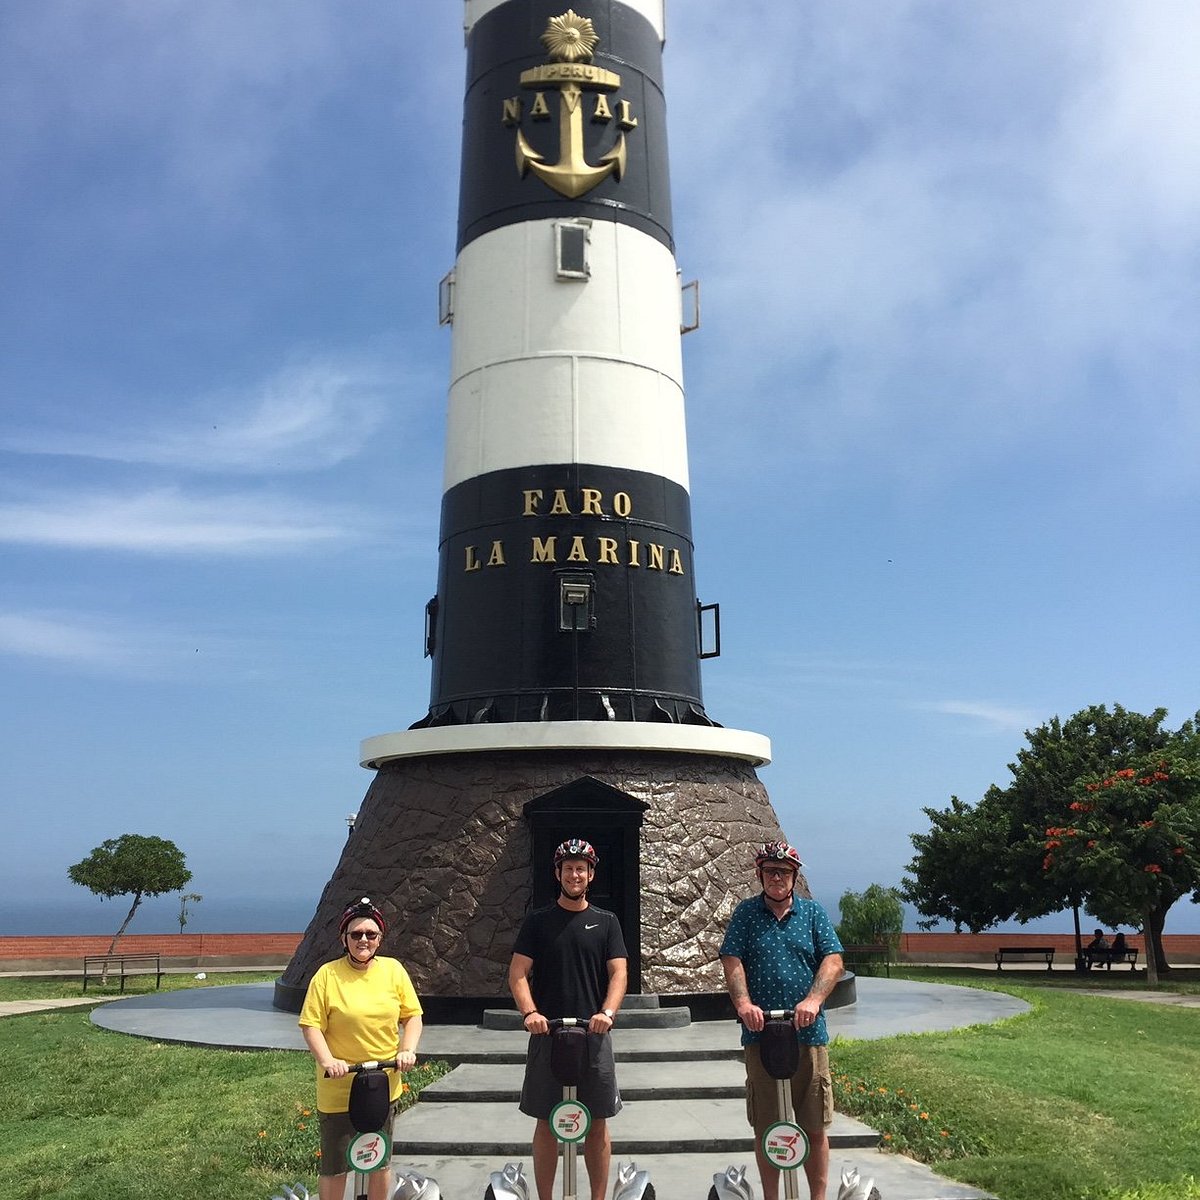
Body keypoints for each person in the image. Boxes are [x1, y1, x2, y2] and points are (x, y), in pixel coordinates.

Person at [719, 840, 845, 1200]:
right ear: (760, 875)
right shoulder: (746, 914)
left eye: (784, 872)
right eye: (771, 871)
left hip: (808, 1033)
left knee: (815, 1126)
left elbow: (833, 960)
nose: (777, 878)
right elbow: (732, 960)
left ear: (794, 876)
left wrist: (814, 1000)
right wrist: (743, 1004)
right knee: (767, 1126)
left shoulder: (812, 914)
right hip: (762, 1035)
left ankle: (817, 1198)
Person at [508, 838, 628, 1200]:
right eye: (568, 868)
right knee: (546, 1122)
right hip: (548, 1034)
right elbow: (517, 972)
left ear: (591, 875)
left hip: (593, 1036)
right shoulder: (538, 921)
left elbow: (619, 973)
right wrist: (530, 1013)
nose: (575, 874)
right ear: (557, 873)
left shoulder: (606, 922)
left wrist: (607, 1012)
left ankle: (597, 1197)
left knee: (597, 1122)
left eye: (581, 868)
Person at [299, 897, 423, 1200]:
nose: (363, 940)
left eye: (370, 934)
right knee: (335, 1166)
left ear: (380, 938)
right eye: (356, 934)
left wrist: (407, 1050)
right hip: (340, 1086)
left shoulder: (393, 971)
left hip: (382, 1085)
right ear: (344, 938)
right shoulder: (327, 976)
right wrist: (329, 1060)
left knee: (378, 1160)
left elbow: (413, 1016)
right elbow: (310, 1025)